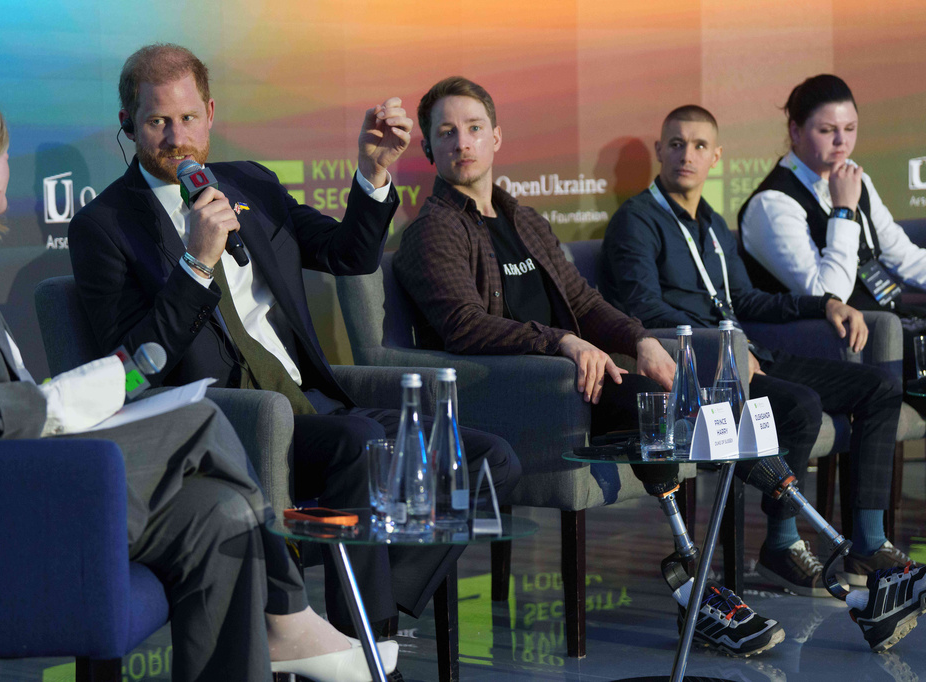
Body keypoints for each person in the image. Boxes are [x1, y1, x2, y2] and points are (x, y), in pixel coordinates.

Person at [0, 85, 400, 682]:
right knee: (202, 418)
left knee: (220, 511)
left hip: (24, 469)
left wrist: (88, 390)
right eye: (3, 152)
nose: (12, 165)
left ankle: (283, 636)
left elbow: (349, 251)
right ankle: (290, 616)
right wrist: (50, 404)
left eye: (188, 117)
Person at [68, 44, 521, 636]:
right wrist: (196, 266)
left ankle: (353, 623)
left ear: (210, 113)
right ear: (128, 124)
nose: (176, 137)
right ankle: (371, 643)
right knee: (360, 442)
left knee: (490, 462)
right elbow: (133, 369)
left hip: (318, 407)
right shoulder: (104, 227)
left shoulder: (249, 183)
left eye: (187, 118)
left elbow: (349, 254)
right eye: (156, 122)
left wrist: (374, 171)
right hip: (231, 423)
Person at [393, 76, 785, 658]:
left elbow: (585, 302)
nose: (462, 143)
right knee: (658, 409)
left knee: (701, 400)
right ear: (428, 149)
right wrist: (563, 344)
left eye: (474, 129)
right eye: (446, 133)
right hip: (521, 396)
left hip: (585, 382)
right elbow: (465, 327)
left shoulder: (523, 220)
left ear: (496, 138)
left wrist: (640, 340)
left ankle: (725, 570)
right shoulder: (433, 231)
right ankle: (698, 589)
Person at [600, 104, 926, 650]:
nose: (687, 155)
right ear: (660, 151)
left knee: (878, 388)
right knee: (796, 405)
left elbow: (745, 300)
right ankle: (782, 542)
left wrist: (823, 303)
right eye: (676, 144)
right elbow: (640, 312)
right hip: (701, 365)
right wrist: (722, 348)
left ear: (716, 156)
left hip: (751, 351)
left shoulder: (710, 221)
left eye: (700, 146)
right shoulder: (637, 221)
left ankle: (869, 542)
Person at [738, 74, 926, 384]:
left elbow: (902, 255)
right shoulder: (771, 204)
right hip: (830, 341)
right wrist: (842, 211)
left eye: (850, 129)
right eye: (827, 131)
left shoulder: (856, 180)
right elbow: (826, 294)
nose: (842, 142)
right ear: (795, 131)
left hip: (889, 320)